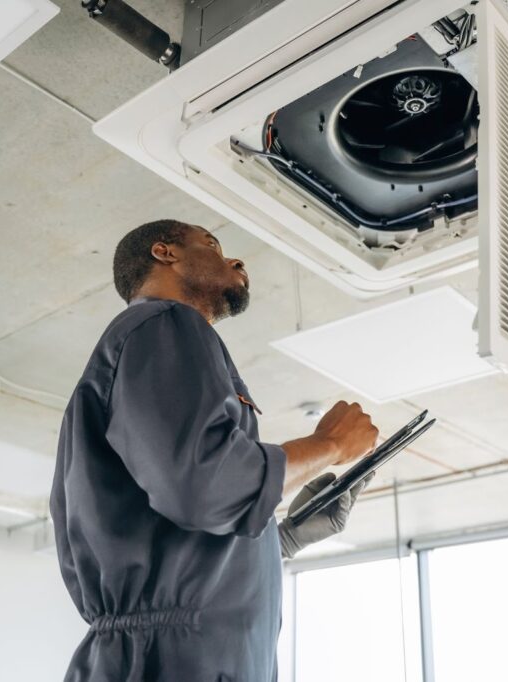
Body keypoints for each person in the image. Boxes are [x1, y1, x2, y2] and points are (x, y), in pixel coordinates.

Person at [50, 219, 379, 681]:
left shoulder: (162, 337)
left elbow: (186, 538)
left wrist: (283, 537)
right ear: (165, 253)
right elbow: (206, 486)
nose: (236, 260)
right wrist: (328, 445)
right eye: (213, 244)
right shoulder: (163, 324)